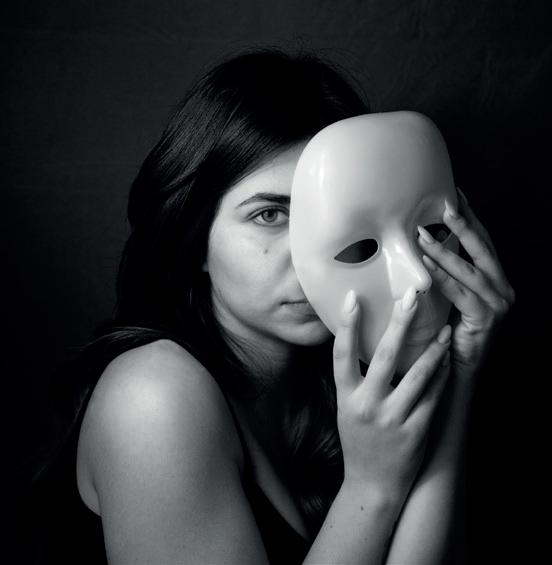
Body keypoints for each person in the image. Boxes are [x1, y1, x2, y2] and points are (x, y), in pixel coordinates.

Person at [33, 48, 514, 565]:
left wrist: (457, 374)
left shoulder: (352, 381)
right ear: (193, 235)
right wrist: (371, 486)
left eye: (330, 218)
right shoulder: (152, 398)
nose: (308, 255)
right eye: (269, 215)